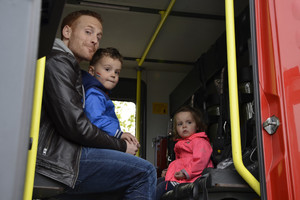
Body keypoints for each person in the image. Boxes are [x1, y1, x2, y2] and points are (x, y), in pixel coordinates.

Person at [35, 10, 156, 200]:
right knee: (145, 172)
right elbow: (75, 125)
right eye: (88, 32)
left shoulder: (69, 66)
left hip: (63, 153)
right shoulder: (58, 61)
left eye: (98, 36)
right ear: (67, 32)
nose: (95, 41)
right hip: (55, 159)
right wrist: (121, 146)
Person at [81, 47, 138, 145]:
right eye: (107, 69)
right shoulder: (94, 94)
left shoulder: (100, 94)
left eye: (117, 72)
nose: (113, 75)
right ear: (91, 71)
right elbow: (95, 119)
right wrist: (118, 134)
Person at [156, 105, 214, 200]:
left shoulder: (200, 142)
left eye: (189, 122)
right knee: (156, 182)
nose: (184, 126)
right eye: (180, 124)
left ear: (197, 126)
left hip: (192, 179)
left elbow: (200, 162)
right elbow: (180, 164)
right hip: (182, 178)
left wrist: (185, 173)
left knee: (162, 187)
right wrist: (169, 172)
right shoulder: (181, 144)